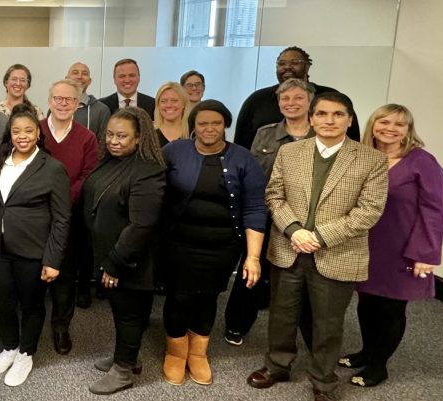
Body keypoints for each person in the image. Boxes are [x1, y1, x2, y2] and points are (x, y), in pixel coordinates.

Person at [247, 92, 388, 401]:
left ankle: (323, 380)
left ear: (350, 120)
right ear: (311, 118)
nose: (329, 120)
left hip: (337, 252)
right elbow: (274, 195)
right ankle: (278, 365)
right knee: (282, 315)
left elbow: (369, 211)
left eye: (338, 114)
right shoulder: (290, 152)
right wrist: (295, 230)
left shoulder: (372, 159)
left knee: (327, 322)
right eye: (322, 114)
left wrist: (320, 237)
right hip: (288, 248)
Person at [160, 100, 266, 387]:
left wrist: (253, 257)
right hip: (177, 242)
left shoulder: (244, 159)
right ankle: (174, 352)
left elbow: (255, 208)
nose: (209, 128)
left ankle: (197, 353)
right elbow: (153, 189)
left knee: (207, 297)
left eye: (216, 123)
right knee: (179, 296)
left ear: (225, 125)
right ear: (193, 124)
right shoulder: (174, 151)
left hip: (222, 246)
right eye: (203, 122)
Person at [339, 104, 443, 387]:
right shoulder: (363, 158)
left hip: (402, 248)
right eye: (384, 121)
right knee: (367, 303)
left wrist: (426, 253)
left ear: (408, 130)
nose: (390, 128)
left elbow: (434, 209)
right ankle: (366, 351)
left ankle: (378, 365)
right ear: (373, 124)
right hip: (365, 245)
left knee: (391, 309)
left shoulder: (422, 161)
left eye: (399, 124)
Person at [0, 103, 71, 387]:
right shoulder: (3, 161)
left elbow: (62, 218)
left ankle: (26, 352)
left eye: (28, 130)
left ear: (38, 133)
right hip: (0, 250)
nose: (22, 136)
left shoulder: (52, 167)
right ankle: (9, 347)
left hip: (34, 251)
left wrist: (53, 259)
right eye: (16, 130)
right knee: (2, 303)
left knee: (32, 306)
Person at [224, 78, 315, 346]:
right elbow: (250, 172)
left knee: (302, 277)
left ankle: (306, 334)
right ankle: (237, 324)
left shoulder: (320, 135)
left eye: (298, 98)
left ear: (310, 101)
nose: (291, 103)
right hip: (264, 213)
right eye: (285, 99)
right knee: (252, 268)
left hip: (304, 219)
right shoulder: (265, 134)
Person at [83, 108, 166, 395]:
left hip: (131, 259)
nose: (114, 141)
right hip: (110, 253)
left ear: (139, 138)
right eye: (109, 135)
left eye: (122, 136)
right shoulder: (112, 161)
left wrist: (115, 263)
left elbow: (141, 224)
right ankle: (126, 357)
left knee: (130, 313)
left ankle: (123, 370)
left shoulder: (147, 170)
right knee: (122, 312)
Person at [40, 79, 100, 355]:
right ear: (49, 100)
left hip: (69, 218)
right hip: (36, 215)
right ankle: (30, 326)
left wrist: (62, 202)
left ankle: (61, 327)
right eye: (58, 98)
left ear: (78, 104)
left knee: (65, 276)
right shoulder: (36, 130)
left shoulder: (87, 137)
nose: (63, 103)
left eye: (69, 100)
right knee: (34, 274)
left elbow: (89, 176)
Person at [234, 46, 360, 149]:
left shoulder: (331, 97)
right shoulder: (257, 99)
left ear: (307, 66)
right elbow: (241, 146)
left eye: (295, 63)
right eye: (282, 64)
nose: (287, 67)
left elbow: (353, 138)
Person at [66, 62, 112, 144]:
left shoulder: (101, 110)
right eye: (75, 73)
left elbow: (103, 144)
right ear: (66, 79)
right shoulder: (56, 108)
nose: (79, 77)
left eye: (84, 73)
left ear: (89, 81)